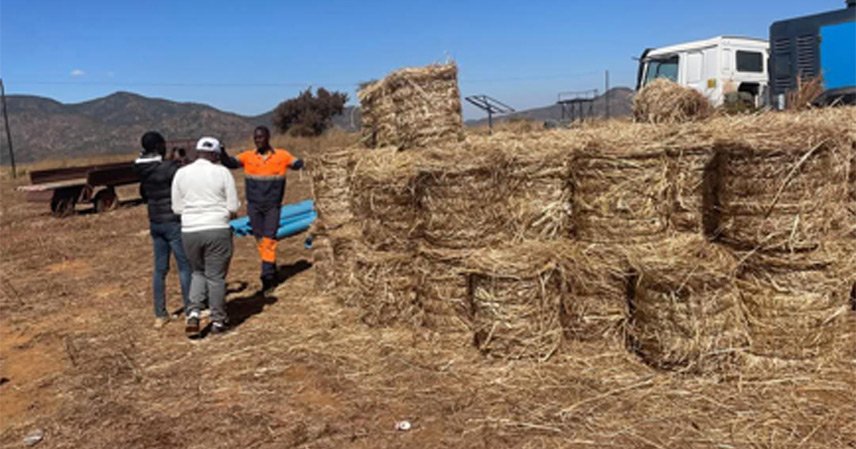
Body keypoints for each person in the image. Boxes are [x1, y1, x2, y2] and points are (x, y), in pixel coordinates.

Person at [220, 126, 304, 292]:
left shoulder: (282, 156)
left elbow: (298, 164)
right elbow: (230, 163)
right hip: (254, 206)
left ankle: (267, 277)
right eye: (256, 138)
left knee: (270, 239)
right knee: (260, 239)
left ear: (268, 138)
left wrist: (312, 162)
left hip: (273, 205)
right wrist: (222, 151)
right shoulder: (248, 157)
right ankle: (271, 268)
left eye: (261, 137)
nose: (258, 140)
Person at [172, 137, 240, 337]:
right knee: (216, 277)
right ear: (215, 154)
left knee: (197, 273)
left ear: (197, 152)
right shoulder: (222, 172)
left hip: (190, 230)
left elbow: (177, 207)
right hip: (217, 227)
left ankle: (193, 313)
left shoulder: (181, 173)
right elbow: (233, 206)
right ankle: (218, 321)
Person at [133, 131, 192, 329]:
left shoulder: (141, 168)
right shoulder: (169, 168)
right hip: (173, 221)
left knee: (160, 269)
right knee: (184, 266)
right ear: (159, 146)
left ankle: (160, 314)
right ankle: (190, 309)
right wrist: (178, 161)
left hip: (155, 221)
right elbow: (183, 178)